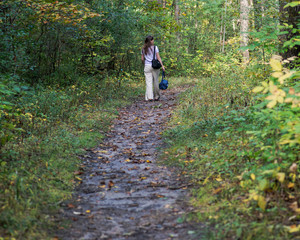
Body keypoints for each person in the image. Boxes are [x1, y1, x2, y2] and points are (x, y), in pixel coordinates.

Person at [141, 35, 165, 101]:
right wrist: (162, 65)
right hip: (155, 66)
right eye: (153, 40)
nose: (153, 41)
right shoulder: (155, 48)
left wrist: (144, 63)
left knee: (148, 82)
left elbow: (142, 59)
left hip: (147, 66)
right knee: (156, 81)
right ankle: (156, 96)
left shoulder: (143, 49)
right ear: (151, 41)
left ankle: (150, 97)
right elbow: (158, 57)